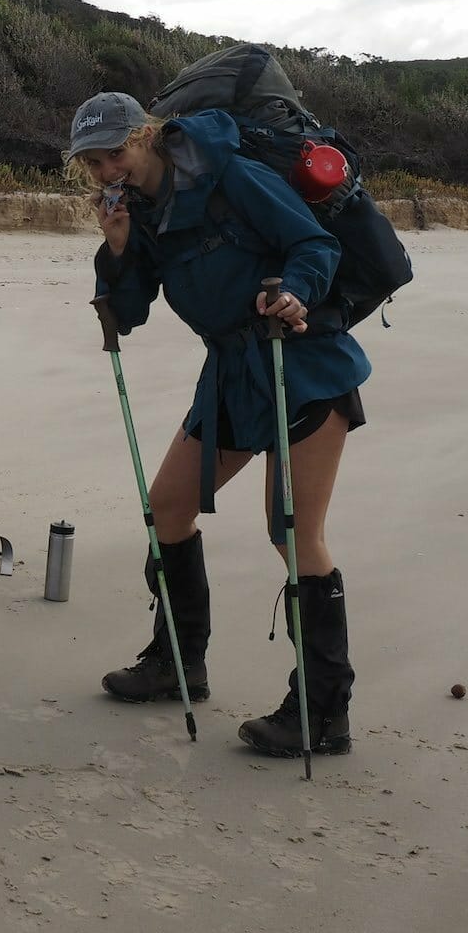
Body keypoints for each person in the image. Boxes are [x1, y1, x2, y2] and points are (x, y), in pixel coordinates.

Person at [70, 90, 370, 756]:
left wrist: (295, 291)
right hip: (234, 374)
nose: (104, 171)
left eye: (112, 152)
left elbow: (312, 242)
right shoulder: (142, 212)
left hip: (303, 361)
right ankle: (178, 661)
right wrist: (116, 249)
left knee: (292, 532)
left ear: (147, 135)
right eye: (91, 163)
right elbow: (130, 310)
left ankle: (323, 711)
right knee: (168, 506)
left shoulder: (231, 173)